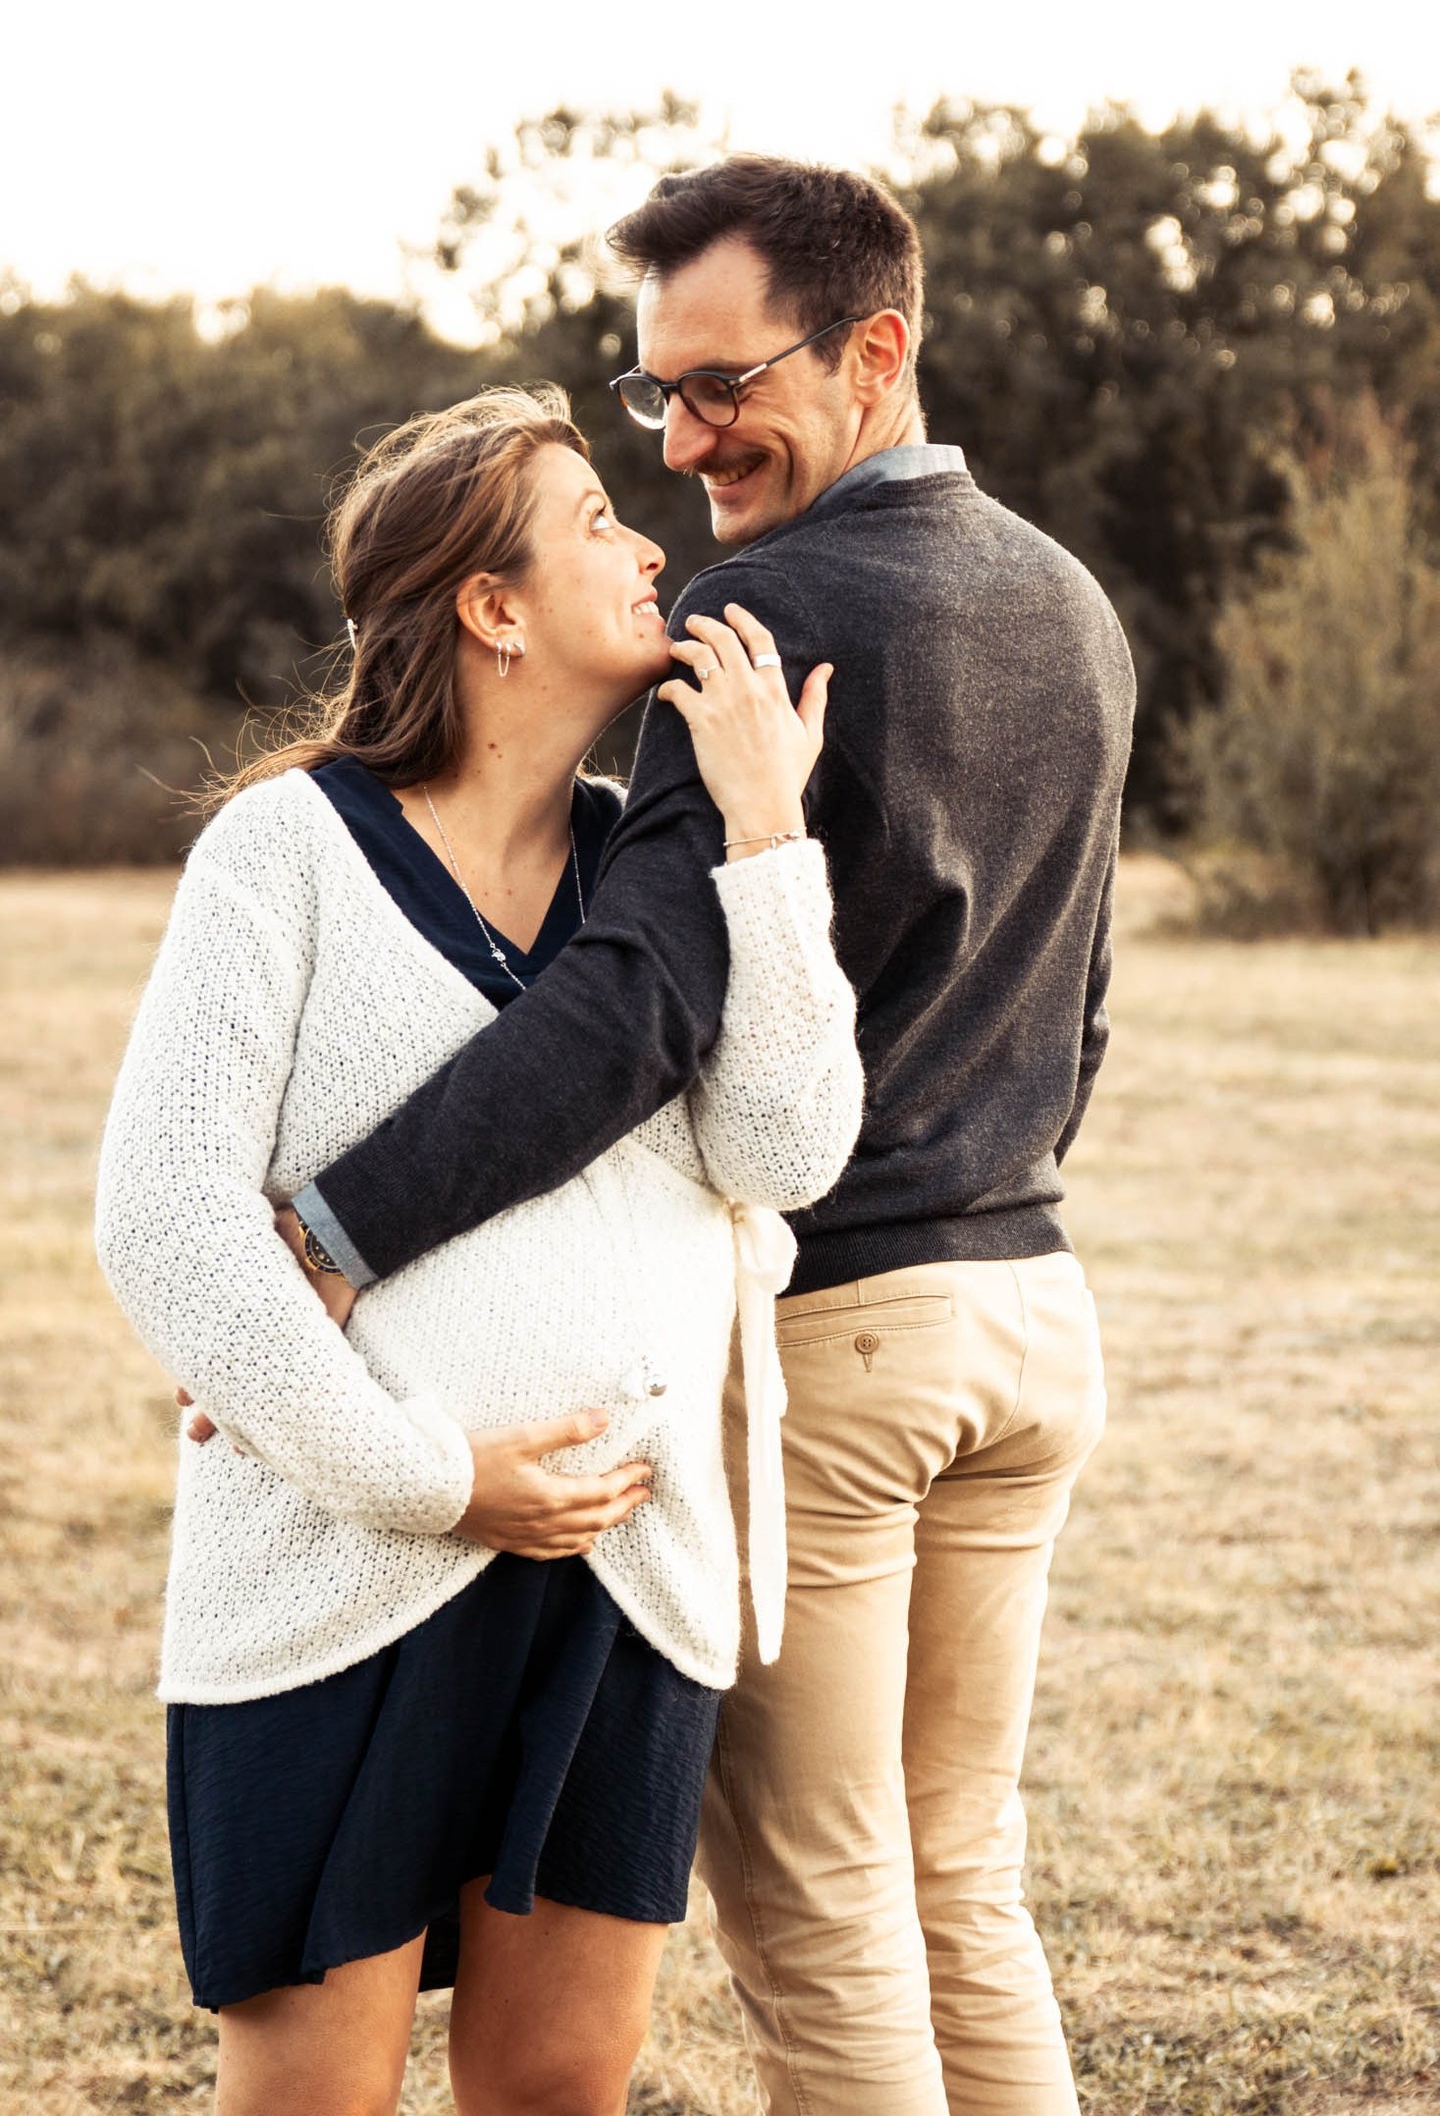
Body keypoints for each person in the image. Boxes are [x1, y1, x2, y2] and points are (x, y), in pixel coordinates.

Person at [265, 161, 1135, 2115]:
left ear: (877, 349)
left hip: (835, 1346)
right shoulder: (1072, 604)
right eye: (653, 393)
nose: (683, 438)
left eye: (723, 384)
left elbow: (632, 1011)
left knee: (827, 1921)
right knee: (959, 1882)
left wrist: (334, 1228)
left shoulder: (763, 612)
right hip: (1035, 1319)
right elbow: (1080, 1011)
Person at [94, 384, 864, 2116]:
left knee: (557, 2088)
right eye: (594, 518)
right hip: (340, 1580)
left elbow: (781, 1152)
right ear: (491, 609)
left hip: (621, 1571)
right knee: (314, 2093)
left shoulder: (651, 865)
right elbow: (166, 1215)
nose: (646, 537)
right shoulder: (283, 851)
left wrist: (767, 838)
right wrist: (434, 1478)